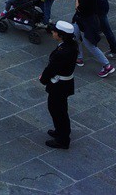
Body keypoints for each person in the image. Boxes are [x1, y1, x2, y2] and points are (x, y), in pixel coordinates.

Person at [39, 21, 79, 149]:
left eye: (55, 32)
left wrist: (43, 79)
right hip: (65, 83)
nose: (53, 33)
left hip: (59, 85)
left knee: (57, 110)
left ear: (61, 35)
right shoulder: (70, 46)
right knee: (59, 109)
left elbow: (52, 68)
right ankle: (60, 131)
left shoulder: (62, 52)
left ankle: (63, 139)